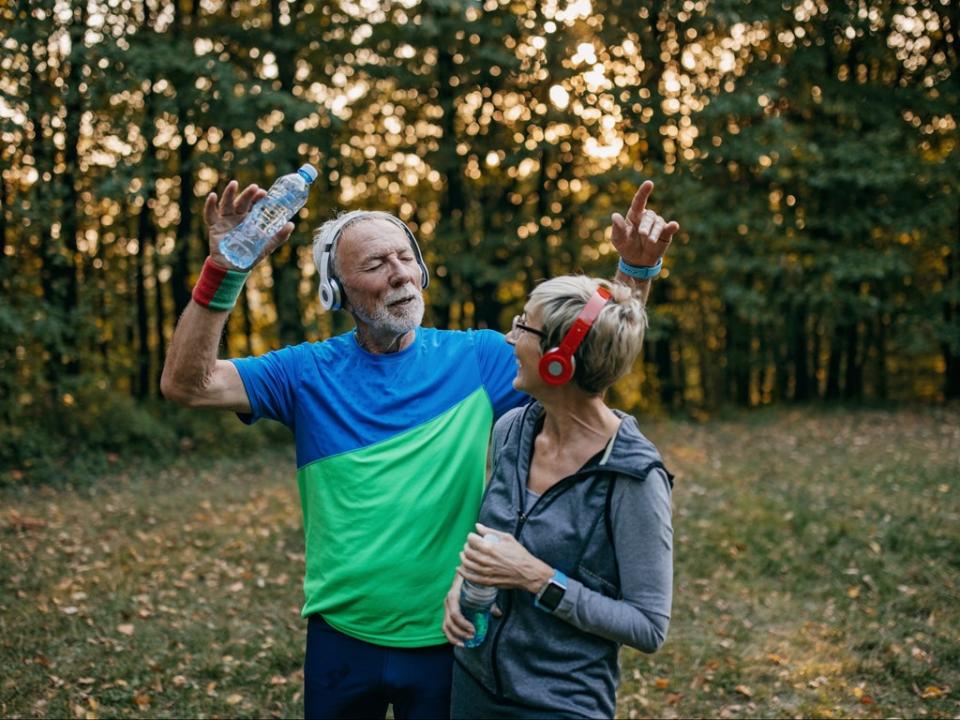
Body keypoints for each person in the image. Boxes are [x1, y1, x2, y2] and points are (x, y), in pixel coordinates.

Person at [160, 177, 678, 719]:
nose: (401, 273)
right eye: (376, 264)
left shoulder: (480, 358)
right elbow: (187, 385)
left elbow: (585, 359)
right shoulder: (305, 373)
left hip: (451, 641)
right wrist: (226, 270)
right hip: (341, 637)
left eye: (406, 257)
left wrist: (634, 274)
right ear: (336, 291)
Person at [442, 274, 673, 719]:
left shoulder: (634, 477)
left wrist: (536, 577)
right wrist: (461, 582)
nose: (509, 337)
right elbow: (495, 536)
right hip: (473, 685)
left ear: (558, 362)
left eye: (523, 326)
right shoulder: (512, 430)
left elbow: (648, 627)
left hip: (560, 703)